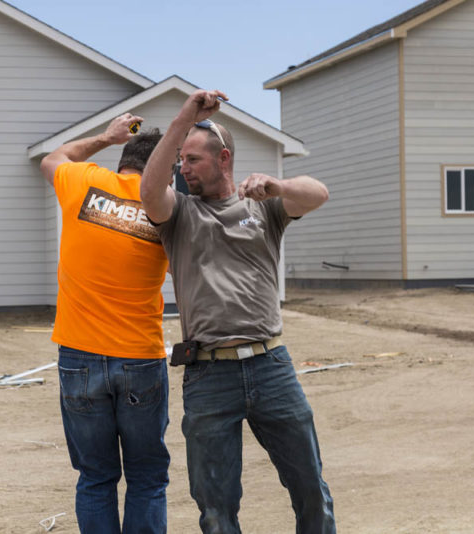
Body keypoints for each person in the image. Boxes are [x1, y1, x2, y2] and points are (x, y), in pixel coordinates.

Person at [140, 90, 336, 534]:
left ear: (223, 158)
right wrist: (183, 119)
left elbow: (319, 194)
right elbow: (149, 191)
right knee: (216, 509)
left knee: (311, 491)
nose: (183, 168)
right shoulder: (179, 214)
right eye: (181, 160)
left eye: (192, 159)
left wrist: (278, 186)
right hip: (209, 376)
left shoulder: (262, 208)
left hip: (272, 367)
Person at [40, 113, 169, 534]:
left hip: (79, 357)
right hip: (139, 357)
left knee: (95, 477)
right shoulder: (167, 207)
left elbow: (52, 158)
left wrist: (107, 137)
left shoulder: (84, 181)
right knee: (146, 478)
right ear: (163, 168)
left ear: (124, 160)